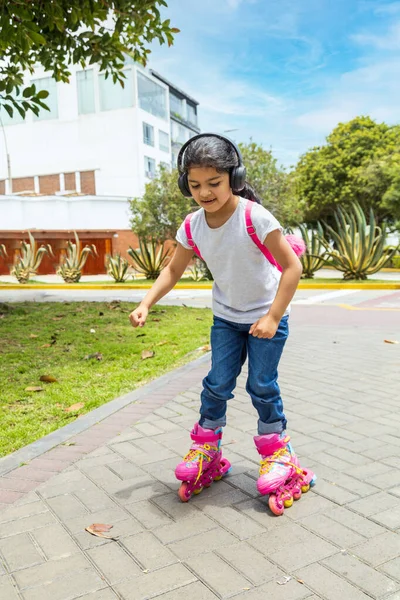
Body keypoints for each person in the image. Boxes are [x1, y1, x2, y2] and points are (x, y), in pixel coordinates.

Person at [129, 133, 315, 515]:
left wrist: (273, 316)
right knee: (216, 384)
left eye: (214, 183)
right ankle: (206, 450)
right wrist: (146, 302)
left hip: (266, 316)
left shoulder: (254, 216)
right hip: (226, 319)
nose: (204, 192)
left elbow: (292, 268)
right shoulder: (193, 225)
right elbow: (174, 269)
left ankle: (280, 455)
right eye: (195, 185)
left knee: (261, 386)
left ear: (235, 177)